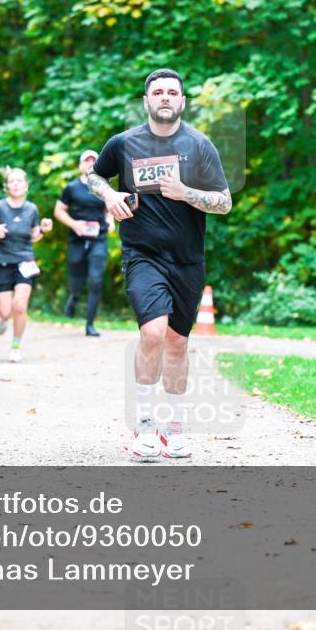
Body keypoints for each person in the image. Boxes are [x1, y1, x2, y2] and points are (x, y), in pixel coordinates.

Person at [86, 68, 232, 461]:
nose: (165, 97)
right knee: (152, 333)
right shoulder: (124, 143)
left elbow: (225, 202)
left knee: (178, 341)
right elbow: (94, 177)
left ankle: (175, 429)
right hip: (142, 254)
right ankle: (146, 428)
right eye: (158, 92)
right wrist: (109, 196)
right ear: (147, 100)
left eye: (172, 92)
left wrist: (187, 193)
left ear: (182, 101)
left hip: (187, 258)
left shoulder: (200, 146)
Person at [0, 167, 53, 362]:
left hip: (25, 262)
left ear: (26, 186)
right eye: (12, 181)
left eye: (19, 181)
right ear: (6, 186)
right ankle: (3, 319)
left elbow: (33, 237)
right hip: (1, 263)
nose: (16, 184)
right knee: (6, 311)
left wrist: (43, 230)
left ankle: (15, 346)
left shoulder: (31, 209)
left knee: (20, 306)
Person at [54, 149, 115, 337]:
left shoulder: (104, 187)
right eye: (86, 161)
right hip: (77, 240)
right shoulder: (71, 188)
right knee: (76, 279)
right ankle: (73, 296)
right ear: (81, 165)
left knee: (96, 280)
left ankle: (90, 325)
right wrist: (74, 224)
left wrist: (111, 219)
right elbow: (59, 210)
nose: (90, 164)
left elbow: (110, 208)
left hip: (99, 238)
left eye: (93, 161)